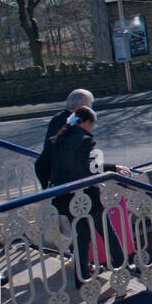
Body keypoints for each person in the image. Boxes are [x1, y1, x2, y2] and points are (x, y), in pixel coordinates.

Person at [46, 106, 132, 285]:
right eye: (92, 124)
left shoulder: (60, 138)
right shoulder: (84, 139)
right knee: (106, 231)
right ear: (85, 123)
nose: (92, 128)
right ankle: (121, 265)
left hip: (65, 196)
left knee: (81, 236)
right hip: (86, 196)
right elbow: (88, 167)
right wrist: (111, 169)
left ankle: (82, 275)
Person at [37, 89, 94, 187]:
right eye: (90, 106)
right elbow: (81, 162)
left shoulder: (57, 118)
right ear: (82, 106)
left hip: (54, 179)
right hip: (69, 184)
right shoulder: (76, 125)